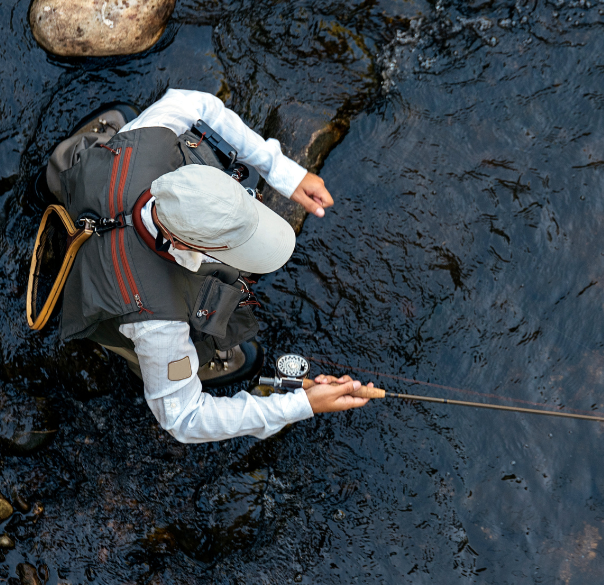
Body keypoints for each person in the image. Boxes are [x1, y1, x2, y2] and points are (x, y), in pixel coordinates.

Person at [48, 88, 370, 443]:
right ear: (187, 244)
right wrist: (300, 405)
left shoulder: (149, 140)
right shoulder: (158, 324)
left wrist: (283, 172)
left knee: (113, 136)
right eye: (235, 247)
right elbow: (183, 418)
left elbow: (198, 104)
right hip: (122, 304)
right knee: (155, 347)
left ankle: (59, 169)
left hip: (97, 188)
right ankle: (151, 360)